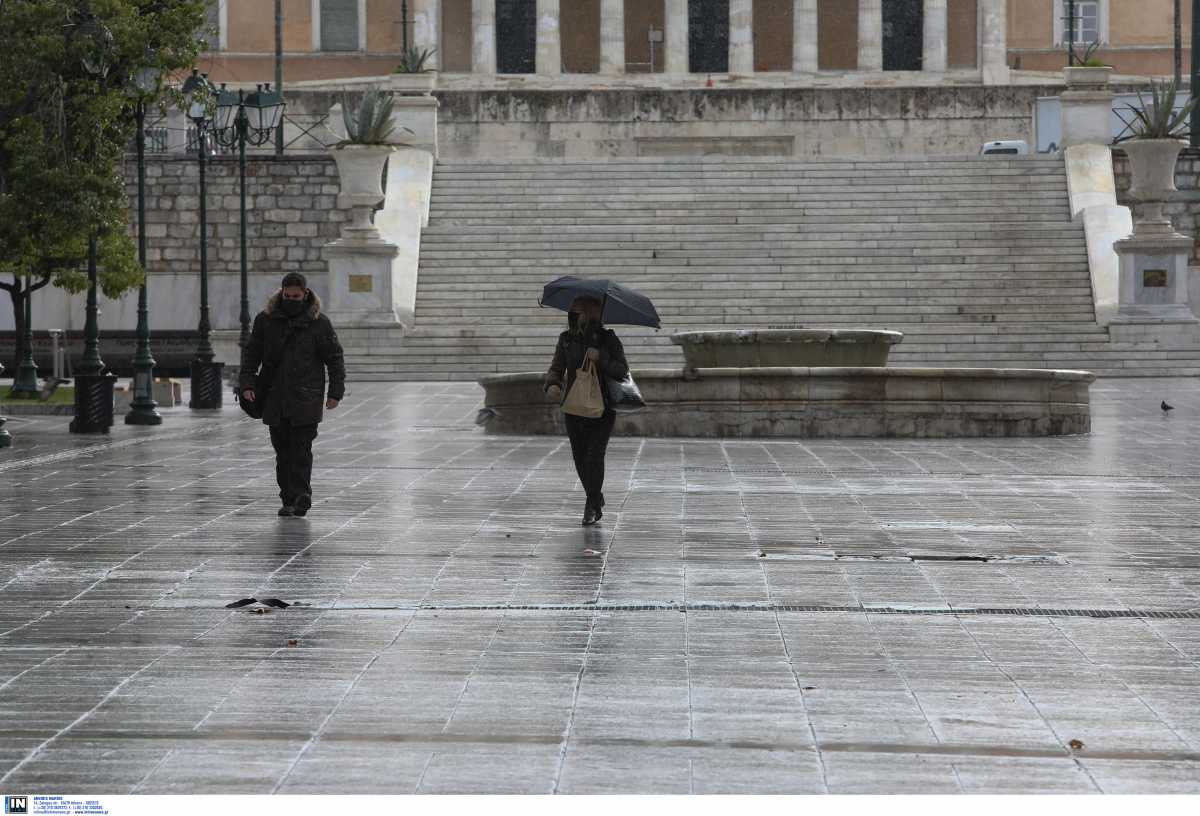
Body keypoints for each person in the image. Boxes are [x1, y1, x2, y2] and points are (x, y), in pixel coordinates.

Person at [240, 272, 345, 517]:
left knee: (301, 449)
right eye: (287, 296)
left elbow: (334, 359)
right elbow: (251, 355)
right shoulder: (266, 320)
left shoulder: (320, 323)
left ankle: (301, 495)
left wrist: (335, 392)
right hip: (275, 397)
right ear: (281, 292)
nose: (291, 300)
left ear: (305, 294)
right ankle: (288, 498)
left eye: (296, 297)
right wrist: (247, 385)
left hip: (306, 397)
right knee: (283, 452)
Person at [544, 297, 629, 526]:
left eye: (580, 311)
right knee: (580, 458)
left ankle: (591, 506)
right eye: (573, 311)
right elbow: (557, 367)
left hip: (602, 409)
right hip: (573, 408)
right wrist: (553, 384)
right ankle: (595, 498)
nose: (574, 315)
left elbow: (621, 370)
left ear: (593, 313)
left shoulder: (608, 339)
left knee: (594, 456)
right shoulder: (566, 340)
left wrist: (600, 358)